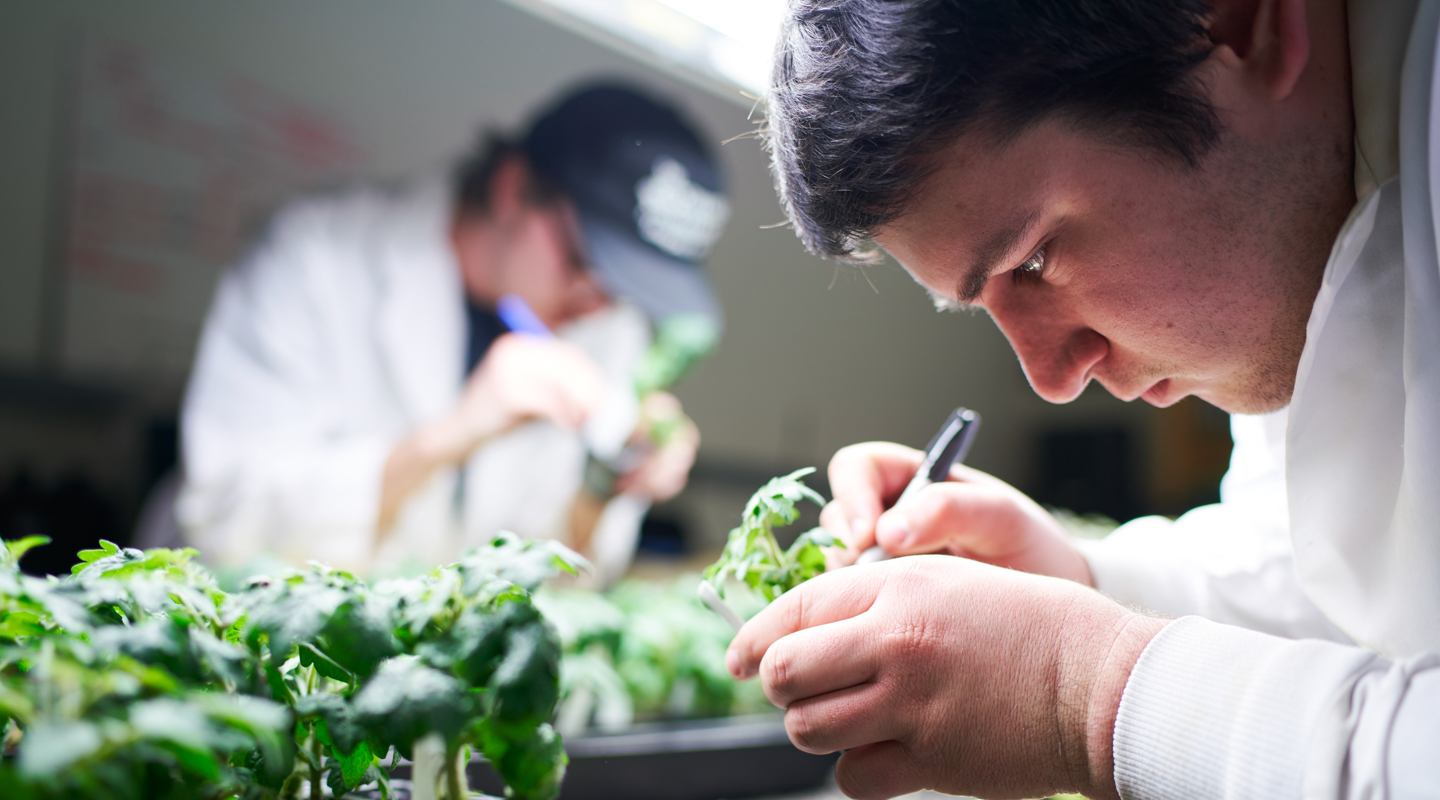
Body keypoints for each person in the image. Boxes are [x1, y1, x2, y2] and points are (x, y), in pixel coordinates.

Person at [727, 0, 1439, 798]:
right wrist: (1076, 578)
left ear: (1243, 24)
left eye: (1033, 260)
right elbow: (1322, 584)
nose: (1052, 378)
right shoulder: (1296, 250)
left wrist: (1090, 699)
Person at [177, 84, 730, 582]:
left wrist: (607, 482)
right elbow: (228, 525)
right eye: (587, 261)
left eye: (627, 289)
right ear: (514, 187)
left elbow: (560, 580)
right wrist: (455, 433)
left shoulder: (607, 323)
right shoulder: (316, 257)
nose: (598, 302)